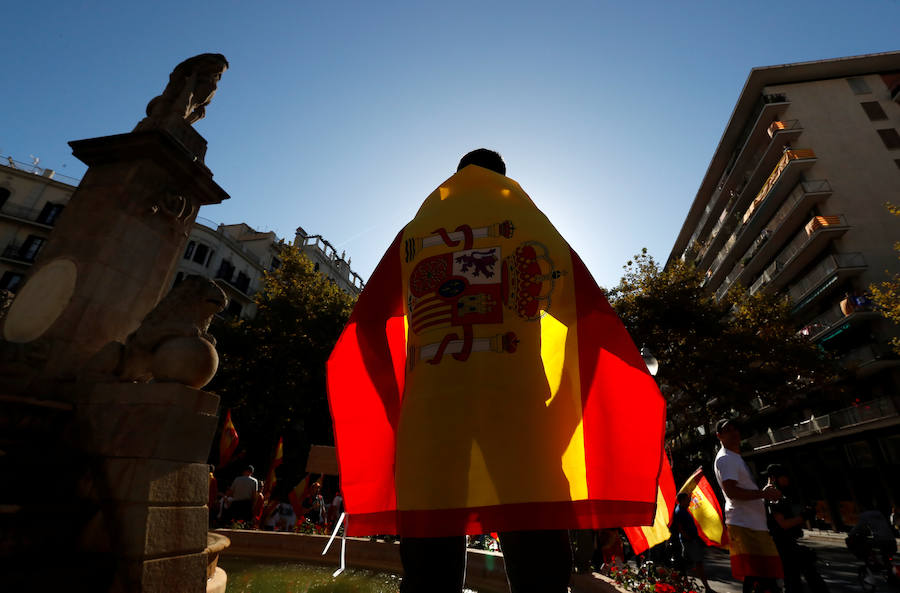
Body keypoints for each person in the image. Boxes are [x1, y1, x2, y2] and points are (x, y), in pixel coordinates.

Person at [713, 419, 783, 593]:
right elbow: (732, 492)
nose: (733, 432)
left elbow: (739, 489)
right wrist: (763, 494)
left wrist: (761, 492)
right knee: (764, 577)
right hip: (746, 525)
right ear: (719, 436)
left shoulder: (732, 457)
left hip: (749, 524)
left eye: (735, 428)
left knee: (757, 578)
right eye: (727, 430)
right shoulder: (727, 459)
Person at [762, 464, 828, 593]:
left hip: (786, 543)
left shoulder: (773, 491)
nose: (787, 479)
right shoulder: (773, 493)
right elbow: (783, 524)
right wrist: (804, 517)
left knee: (797, 580)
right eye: (784, 476)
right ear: (775, 478)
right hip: (782, 544)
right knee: (798, 580)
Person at [672, 492, 716, 593]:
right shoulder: (679, 511)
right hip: (689, 541)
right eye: (688, 499)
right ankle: (706, 588)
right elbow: (679, 527)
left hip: (691, 540)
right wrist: (688, 537)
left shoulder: (683, 510)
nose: (690, 500)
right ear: (682, 500)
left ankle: (685, 585)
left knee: (690, 564)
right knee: (697, 563)